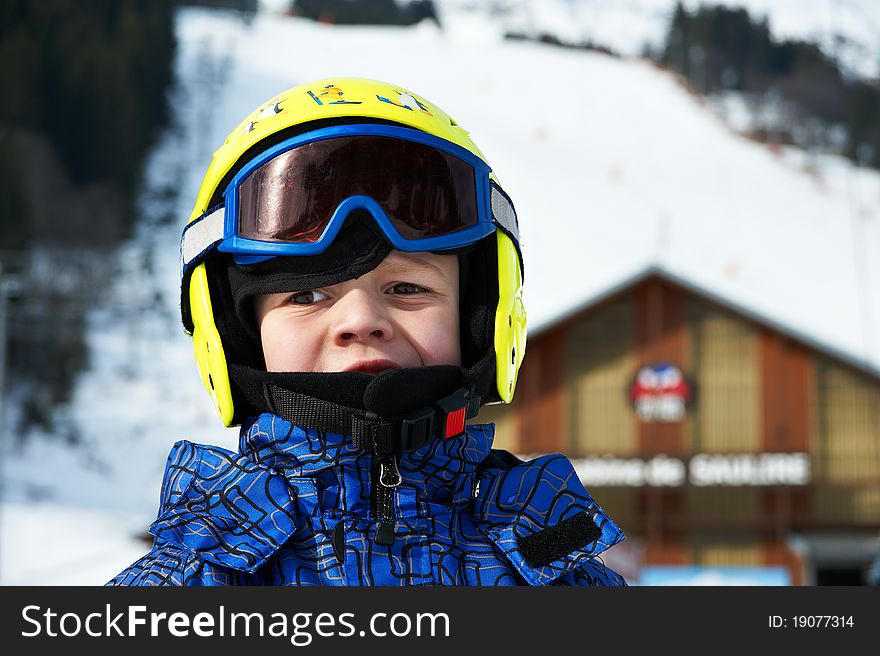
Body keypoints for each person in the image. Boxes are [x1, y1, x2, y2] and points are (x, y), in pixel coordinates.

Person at [108, 78, 626, 586]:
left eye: (406, 288)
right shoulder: (189, 583)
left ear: (483, 320)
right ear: (232, 335)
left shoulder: (555, 563)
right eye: (306, 295)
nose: (360, 322)